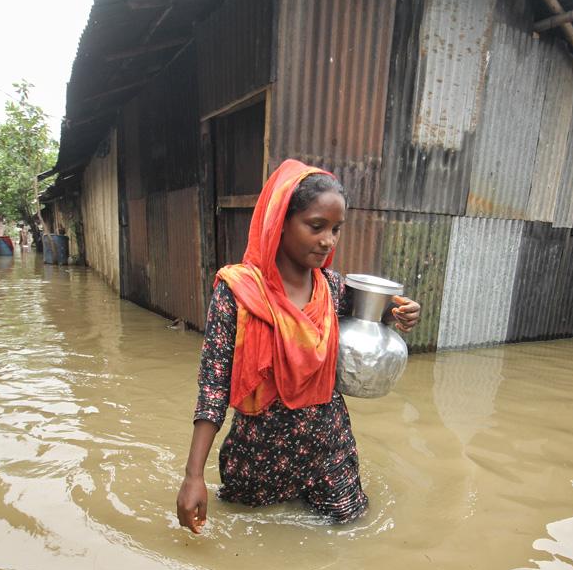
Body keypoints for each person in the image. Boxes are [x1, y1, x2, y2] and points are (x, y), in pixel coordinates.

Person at [176, 159, 420, 533]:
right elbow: (213, 387)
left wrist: (397, 315)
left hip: (328, 449)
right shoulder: (238, 294)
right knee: (251, 541)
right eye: (316, 226)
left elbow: (373, 319)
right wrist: (194, 476)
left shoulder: (333, 289)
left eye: (336, 229)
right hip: (260, 455)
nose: (328, 241)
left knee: (352, 532)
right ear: (281, 222)